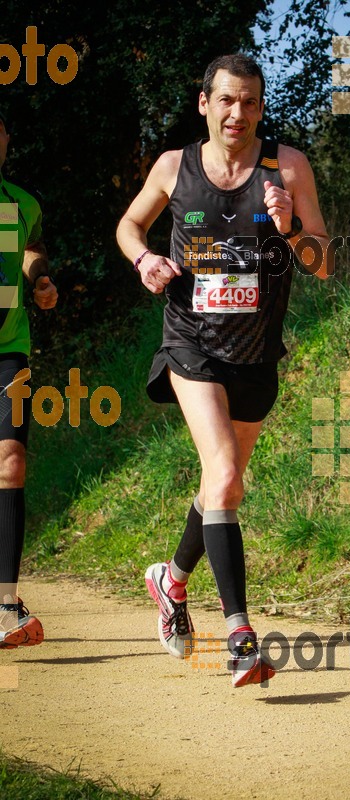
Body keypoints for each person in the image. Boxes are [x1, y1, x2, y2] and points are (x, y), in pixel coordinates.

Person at [116, 53, 330, 687]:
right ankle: (240, 635)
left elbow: (321, 262)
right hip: (192, 342)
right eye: (228, 101)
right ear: (205, 103)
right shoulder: (173, 167)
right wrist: (144, 261)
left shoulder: (286, 167)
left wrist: (292, 229)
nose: (240, 114)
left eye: (253, 102)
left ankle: (170, 580)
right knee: (225, 472)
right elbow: (130, 225)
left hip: (258, 352)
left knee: (223, 487)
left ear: (262, 107)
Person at [0, 109, 58, 648]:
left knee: (11, 462)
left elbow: (32, 246)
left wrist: (39, 278)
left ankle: (4, 602)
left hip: (8, 350)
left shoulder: (22, 203)